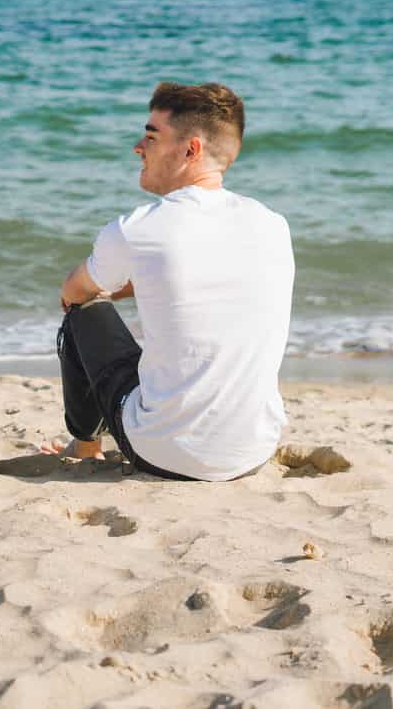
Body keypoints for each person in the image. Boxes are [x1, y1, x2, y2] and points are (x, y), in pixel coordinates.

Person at [47, 81, 294, 481]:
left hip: (164, 453)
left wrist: (105, 292)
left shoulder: (138, 229)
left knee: (83, 312)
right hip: (253, 450)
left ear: (190, 149)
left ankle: (85, 447)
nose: (137, 148)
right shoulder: (272, 224)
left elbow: (73, 291)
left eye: (150, 136)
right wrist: (136, 285)